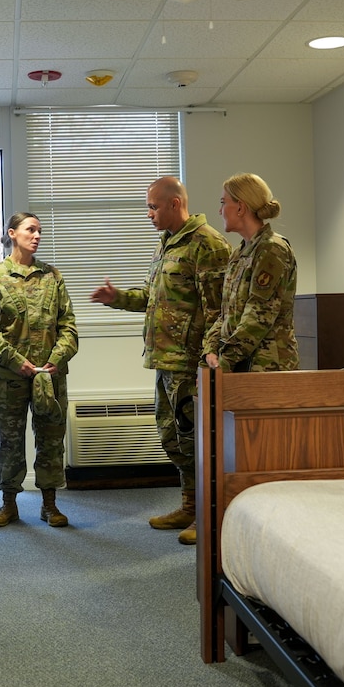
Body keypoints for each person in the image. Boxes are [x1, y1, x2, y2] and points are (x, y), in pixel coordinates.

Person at [90, 176, 230, 545]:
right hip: (165, 360)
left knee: (199, 441)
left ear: (175, 203)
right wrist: (117, 297)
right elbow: (155, 298)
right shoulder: (167, 244)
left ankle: (209, 515)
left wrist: (207, 360)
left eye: (153, 206)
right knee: (174, 440)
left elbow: (220, 311)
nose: (148, 213)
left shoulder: (208, 244)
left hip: (191, 364)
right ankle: (189, 504)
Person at [0, 212, 78, 528]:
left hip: (49, 376)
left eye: (39, 231)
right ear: (12, 233)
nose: (36, 235)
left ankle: (50, 505)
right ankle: (8, 504)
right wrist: (13, 359)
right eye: (30, 230)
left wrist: (57, 358)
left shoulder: (52, 276)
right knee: (8, 441)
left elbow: (69, 326)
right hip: (10, 377)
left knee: (50, 439)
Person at [203, 172, 299, 375]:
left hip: (267, 369)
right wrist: (210, 351)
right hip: (241, 365)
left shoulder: (272, 249)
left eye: (223, 202)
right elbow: (225, 314)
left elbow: (259, 316)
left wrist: (223, 360)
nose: (219, 211)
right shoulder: (240, 253)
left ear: (240, 208)